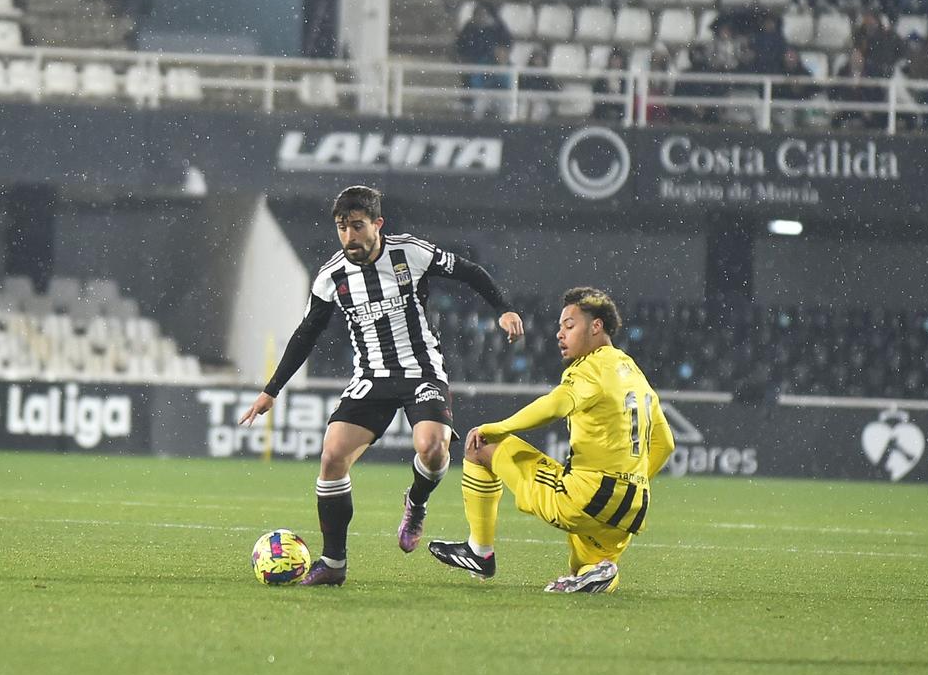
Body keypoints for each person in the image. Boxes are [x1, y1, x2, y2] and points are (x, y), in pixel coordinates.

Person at [236, 185, 525, 586]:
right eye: (342, 227)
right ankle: (333, 565)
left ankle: (416, 501)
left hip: (422, 370)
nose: (349, 236)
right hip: (371, 377)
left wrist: (504, 308)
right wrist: (272, 390)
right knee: (332, 457)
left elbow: (470, 273)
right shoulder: (331, 277)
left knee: (434, 448)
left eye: (357, 226)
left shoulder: (410, 252)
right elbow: (306, 334)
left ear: (377, 224)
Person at [427, 287, 673, 592]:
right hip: (632, 507)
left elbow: (556, 404)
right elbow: (665, 443)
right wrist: (629, 482)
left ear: (596, 326)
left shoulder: (591, 366)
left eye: (569, 326)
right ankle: (603, 572)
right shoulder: (634, 373)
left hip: (586, 496)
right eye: (560, 327)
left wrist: (500, 427)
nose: (560, 334)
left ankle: (479, 552)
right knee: (587, 568)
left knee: (480, 447)